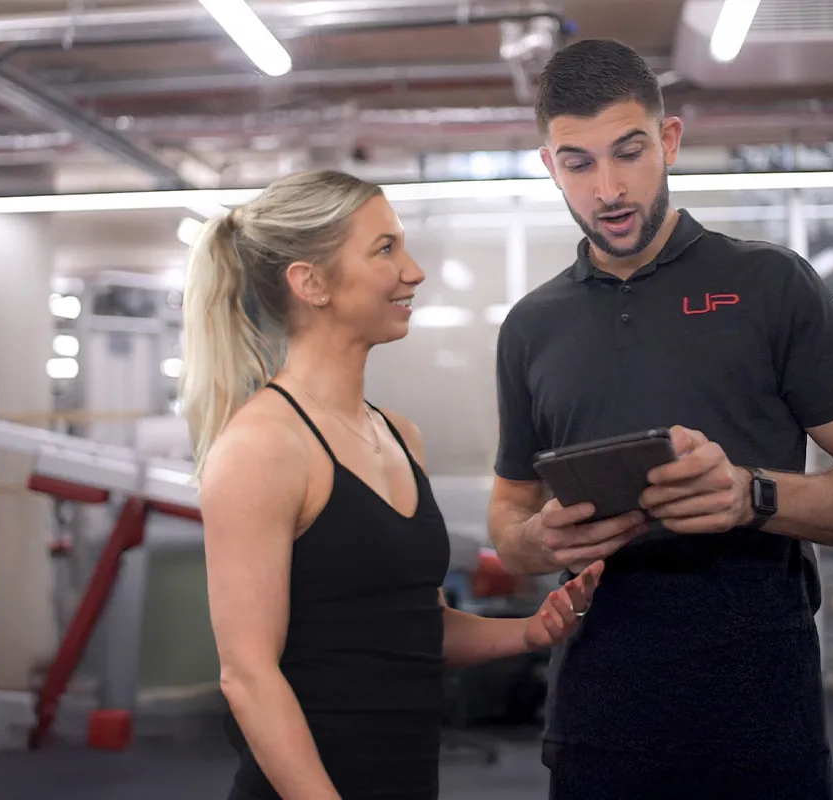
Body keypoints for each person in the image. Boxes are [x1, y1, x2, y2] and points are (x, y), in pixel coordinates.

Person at [486, 39, 833, 800]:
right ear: (551, 166)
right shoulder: (531, 326)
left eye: (630, 151)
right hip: (596, 726)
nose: (610, 187)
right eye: (579, 162)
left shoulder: (770, 284)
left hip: (759, 726)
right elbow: (511, 513)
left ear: (670, 140)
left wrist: (751, 496)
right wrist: (530, 541)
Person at [181, 169, 604, 800]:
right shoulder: (262, 447)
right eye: (385, 249)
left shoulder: (400, 436)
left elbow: (413, 627)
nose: (414, 271)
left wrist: (530, 631)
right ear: (311, 282)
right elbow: (247, 676)